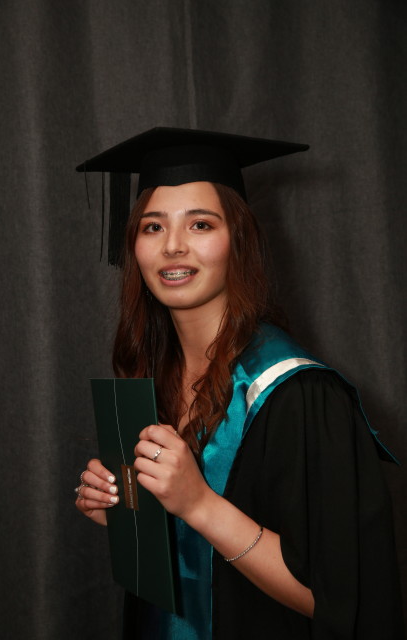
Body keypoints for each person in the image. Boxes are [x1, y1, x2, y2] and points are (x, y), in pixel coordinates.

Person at [75, 128, 404, 639]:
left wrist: (199, 504)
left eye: (200, 224)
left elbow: (342, 600)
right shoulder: (154, 376)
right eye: (152, 226)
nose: (173, 246)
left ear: (239, 240)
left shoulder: (298, 395)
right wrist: (127, 513)